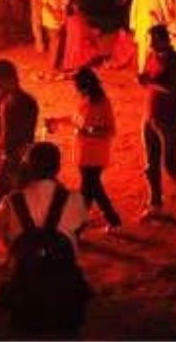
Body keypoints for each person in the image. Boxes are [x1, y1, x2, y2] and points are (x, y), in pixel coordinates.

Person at [0, 142, 89, 337]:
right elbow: (80, 226)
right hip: (64, 289)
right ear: (58, 168)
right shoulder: (74, 198)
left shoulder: (12, 200)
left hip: (24, 290)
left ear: (27, 167)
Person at [47, 67, 122, 231]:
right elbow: (77, 120)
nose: (76, 88)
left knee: (87, 191)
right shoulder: (84, 99)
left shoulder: (102, 103)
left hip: (95, 154)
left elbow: (110, 130)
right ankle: (111, 219)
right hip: (84, 152)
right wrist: (57, 121)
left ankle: (78, 226)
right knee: (93, 188)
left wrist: (91, 131)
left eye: (77, 84)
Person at [0, 59, 39, 219]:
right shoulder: (6, 100)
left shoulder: (19, 103)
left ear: (7, 80)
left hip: (11, 162)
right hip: (3, 159)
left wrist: (5, 164)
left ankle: (0, 240)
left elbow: (15, 139)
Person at [139, 24, 176, 219]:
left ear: (161, 39)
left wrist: (149, 82)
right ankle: (154, 202)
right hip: (150, 115)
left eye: (151, 39)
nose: (148, 43)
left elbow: (174, 90)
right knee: (151, 164)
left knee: (170, 165)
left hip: (168, 117)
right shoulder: (152, 56)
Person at [129, 0, 167, 73]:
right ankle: (141, 71)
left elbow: (163, 6)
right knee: (142, 49)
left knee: (153, 49)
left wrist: (164, 21)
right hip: (142, 24)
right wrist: (132, 24)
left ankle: (152, 72)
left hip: (154, 24)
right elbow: (134, 7)